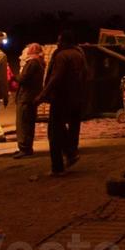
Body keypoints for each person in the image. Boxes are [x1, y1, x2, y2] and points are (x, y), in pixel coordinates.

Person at [39, 30, 87, 176]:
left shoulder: (62, 55)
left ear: (66, 42)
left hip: (61, 97)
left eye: (60, 41)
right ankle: (70, 152)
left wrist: (43, 94)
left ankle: (59, 165)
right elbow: (86, 74)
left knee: (54, 131)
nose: (58, 43)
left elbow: (56, 77)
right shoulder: (80, 55)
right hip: (76, 96)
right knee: (69, 128)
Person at [12, 43, 45, 158]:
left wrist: (13, 76)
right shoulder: (40, 62)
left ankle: (24, 148)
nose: (24, 54)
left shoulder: (32, 63)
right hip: (31, 97)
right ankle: (26, 147)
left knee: (23, 123)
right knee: (28, 123)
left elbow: (23, 78)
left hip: (26, 97)